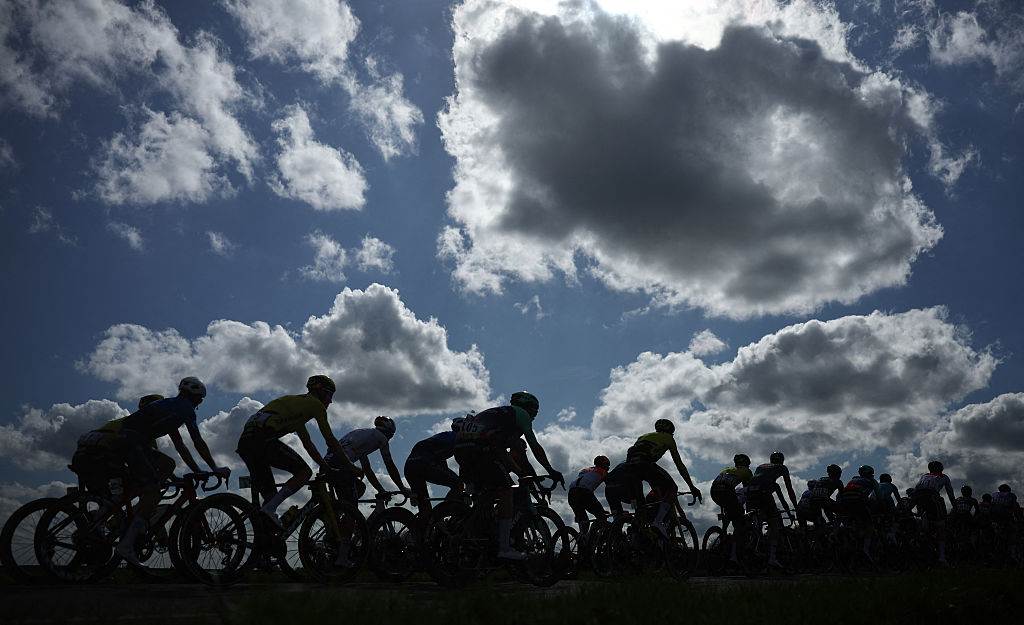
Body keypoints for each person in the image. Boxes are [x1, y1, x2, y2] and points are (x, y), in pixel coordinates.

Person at [113, 377, 230, 565]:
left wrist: (197, 470)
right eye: (201, 400)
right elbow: (197, 442)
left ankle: (138, 507)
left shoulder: (170, 407)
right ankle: (128, 542)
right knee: (153, 490)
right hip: (133, 441)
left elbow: (180, 446)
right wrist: (214, 467)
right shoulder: (186, 409)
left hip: (127, 439)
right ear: (197, 397)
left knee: (168, 465)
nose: (200, 403)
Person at [236, 375, 363, 531]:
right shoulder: (316, 405)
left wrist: (325, 467)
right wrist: (350, 466)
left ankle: (263, 542)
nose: (331, 401)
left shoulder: (297, 408)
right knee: (305, 472)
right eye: (330, 395)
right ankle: (268, 511)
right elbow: (330, 440)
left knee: (270, 499)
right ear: (322, 392)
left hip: (246, 442)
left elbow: (308, 445)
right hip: (263, 438)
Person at [454, 391, 564, 560]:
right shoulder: (520, 414)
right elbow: (534, 446)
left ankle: (476, 539)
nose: (534, 415)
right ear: (528, 407)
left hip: (462, 452)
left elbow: (504, 453)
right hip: (481, 451)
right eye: (535, 410)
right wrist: (551, 470)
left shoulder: (500, 418)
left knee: (488, 496)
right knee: (507, 491)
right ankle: (504, 548)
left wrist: (520, 473)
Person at [70, 394, 163, 501]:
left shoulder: (124, 420)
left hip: (82, 455)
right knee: (138, 484)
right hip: (100, 458)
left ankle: (99, 514)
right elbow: (156, 464)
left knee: (108, 498)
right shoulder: (144, 427)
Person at [624, 419, 702, 536]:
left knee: (640, 506)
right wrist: (691, 486)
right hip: (645, 463)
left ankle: (636, 538)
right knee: (672, 488)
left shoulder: (643, 436)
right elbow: (679, 464)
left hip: (630, 468)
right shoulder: (669, 438)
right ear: (670, 431)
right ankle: (658, 522)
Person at [745, 451, 800, 568]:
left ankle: (755, 542)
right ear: (782, 460)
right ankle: (772, 558)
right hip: (763, 492)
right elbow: (789, 489)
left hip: (750, 492)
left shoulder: (760, 467)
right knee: (774, 522)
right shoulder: (782, 468)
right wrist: (796, 507)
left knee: (758, 522)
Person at [404, 417, 465, 520]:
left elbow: (441, 463)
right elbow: (463, 463)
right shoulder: (460, 438)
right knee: (458, 484)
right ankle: (440, 516)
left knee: (425, 506)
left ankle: (422, 531)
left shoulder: (444, 436)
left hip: (410, 464)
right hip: (424, 461)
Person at [710, 454, 752, 563]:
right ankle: (733, 555)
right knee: (738, 521)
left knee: (730, 511)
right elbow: (749, 491)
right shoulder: (747, 472)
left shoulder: (727, 468)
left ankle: (723, 536)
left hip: (714, 490)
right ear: (747, 464)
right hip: (727, 491)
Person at [911, 460, 956, 565]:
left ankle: (922, 536)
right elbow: (950, 494)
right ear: (941, 469)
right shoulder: (943, 476)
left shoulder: (924, 476)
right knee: (941, 525)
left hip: (917, 495)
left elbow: (918, 490)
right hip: (931, 495)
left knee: (924, 518)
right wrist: (955, 508)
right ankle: (941, 557)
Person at [838, 465, 883, 559]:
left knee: (855, 522)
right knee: (869, 525)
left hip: (844, 501)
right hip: (858, 501)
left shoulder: (853, 480)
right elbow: (879, 497)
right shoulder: (872, 481)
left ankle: (852, 537)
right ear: (870, 474)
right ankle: (865, 549)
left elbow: (840, 494)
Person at [568, 455, 611, 534]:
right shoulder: (604, 472)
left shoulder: (585, 470)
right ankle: (593, 538)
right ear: (604, 464)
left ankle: (582, 540)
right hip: (584, 492)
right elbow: (611, 487)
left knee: (584, 522)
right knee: (602, 518)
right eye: (607, 465)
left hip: (571, 493)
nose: (608, 467)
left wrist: (598, 509)